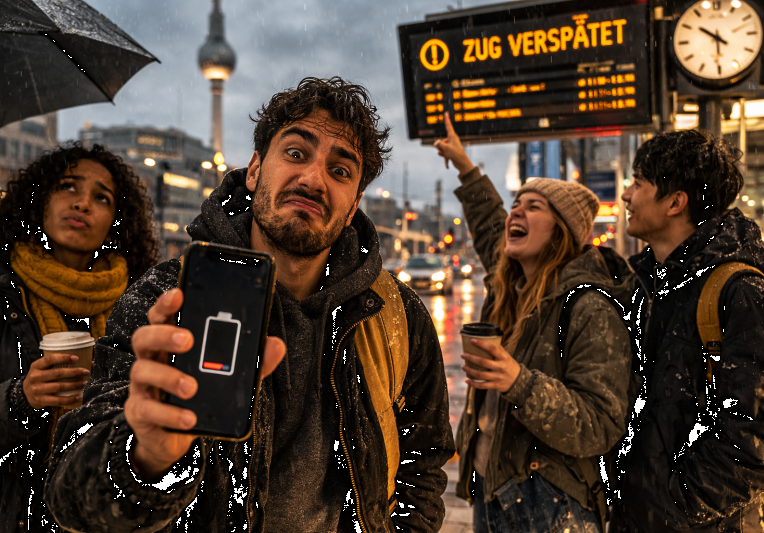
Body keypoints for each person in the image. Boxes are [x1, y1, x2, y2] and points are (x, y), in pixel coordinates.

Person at [44, 77, 456, 533]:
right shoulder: (170, 299)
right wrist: (143, 459)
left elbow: (424, 465)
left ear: (355, 201)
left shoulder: (396, 315)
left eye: (340, 171)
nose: (314, 179)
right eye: (296, 153)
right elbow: (69, 497)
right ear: (255, 169)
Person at [433, 113, 633, 533]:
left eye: (533, 207)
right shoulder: (511, 283)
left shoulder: (590, 307)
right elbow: (490, 223)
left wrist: (517, 382)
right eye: (516, 204)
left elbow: (601, 425)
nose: (514, 213)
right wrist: (467, 168)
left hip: (554, 503)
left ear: (561, 232)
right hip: (492, 486)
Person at [0, 143, 159, 533]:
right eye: (68, 187)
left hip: (104, 517)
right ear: (39, 201)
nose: (83, 204)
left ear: (116, 222)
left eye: (101, 197)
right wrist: (21, 399)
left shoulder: (140, 304)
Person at [611, 130, 764, 532]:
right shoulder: (647, 284)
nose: (627, 195)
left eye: (639, 183)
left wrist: (674, 509)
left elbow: (755, 436)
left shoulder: (739, 290)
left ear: (676, 202)